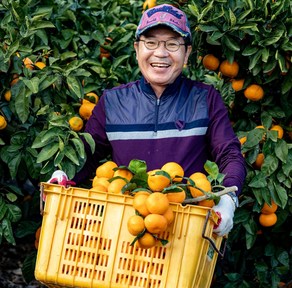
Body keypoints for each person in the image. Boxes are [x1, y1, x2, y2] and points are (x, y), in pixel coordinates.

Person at [49, 4, 246, 236]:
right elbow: (86, 154)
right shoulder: (113, 102)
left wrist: (228, 199)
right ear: (136, 49)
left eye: (172, 44)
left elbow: (230, 154)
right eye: (150, 43)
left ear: (187, 53)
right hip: (125, 232)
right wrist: (63, 175)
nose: (160, 53)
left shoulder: (204, 99)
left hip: (185, 234)